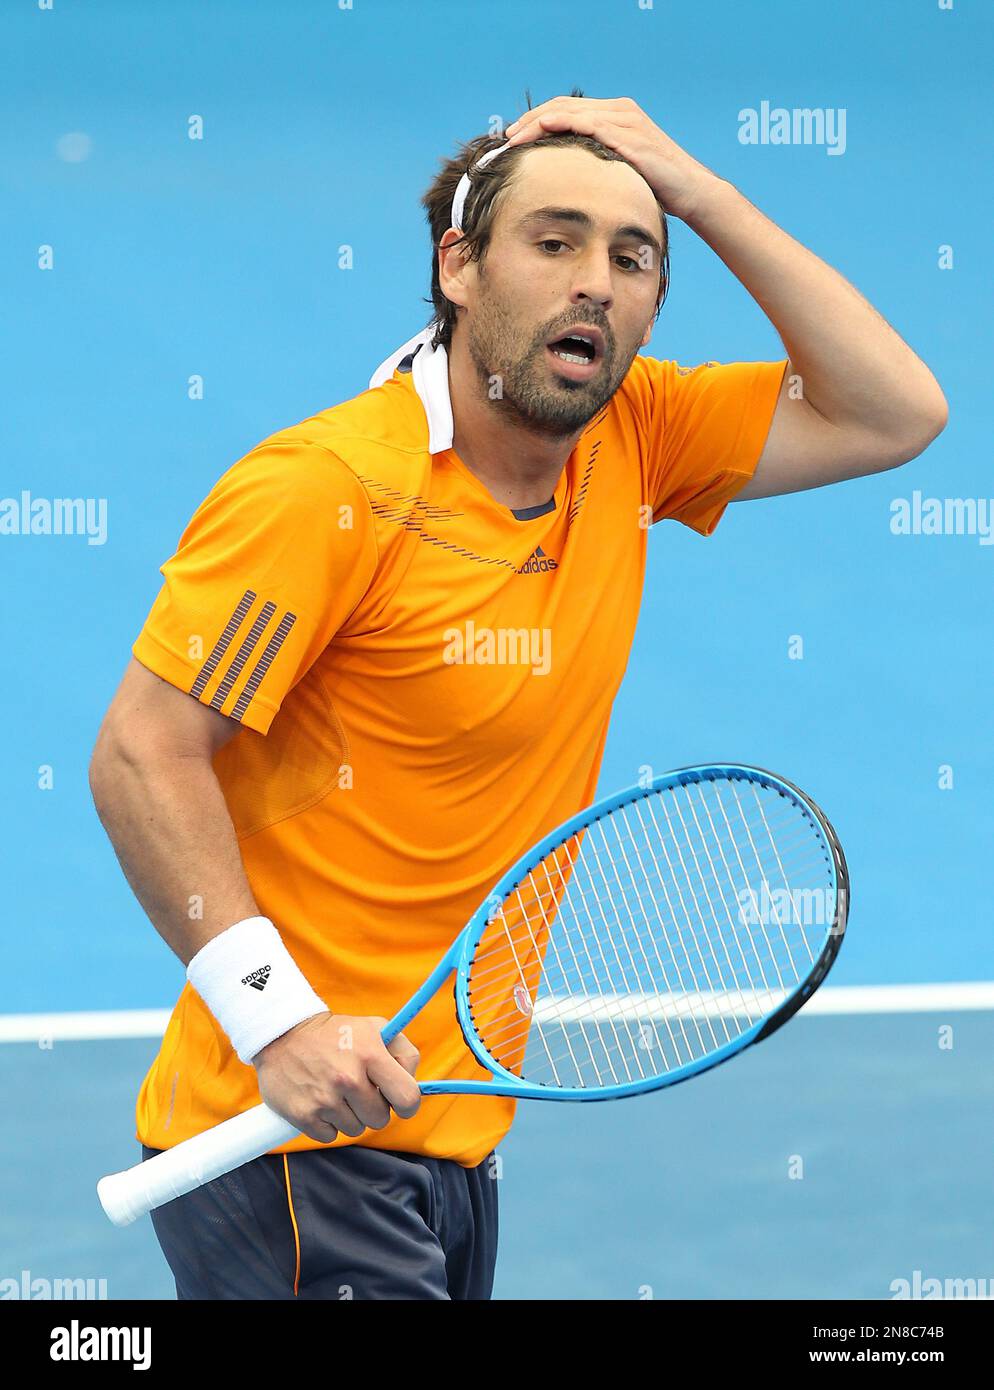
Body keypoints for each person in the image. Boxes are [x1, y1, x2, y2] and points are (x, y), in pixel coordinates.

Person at [88, 92, 947, 1300]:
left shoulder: (634, 440)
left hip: (449, 1132)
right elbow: (142, 752)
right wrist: (275, 1020)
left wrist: (697, 190)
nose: (594, 282)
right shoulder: (327, 491)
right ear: (457, 265)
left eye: (631, 256)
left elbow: (895, 410)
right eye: (553, 243)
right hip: (294, 1141)